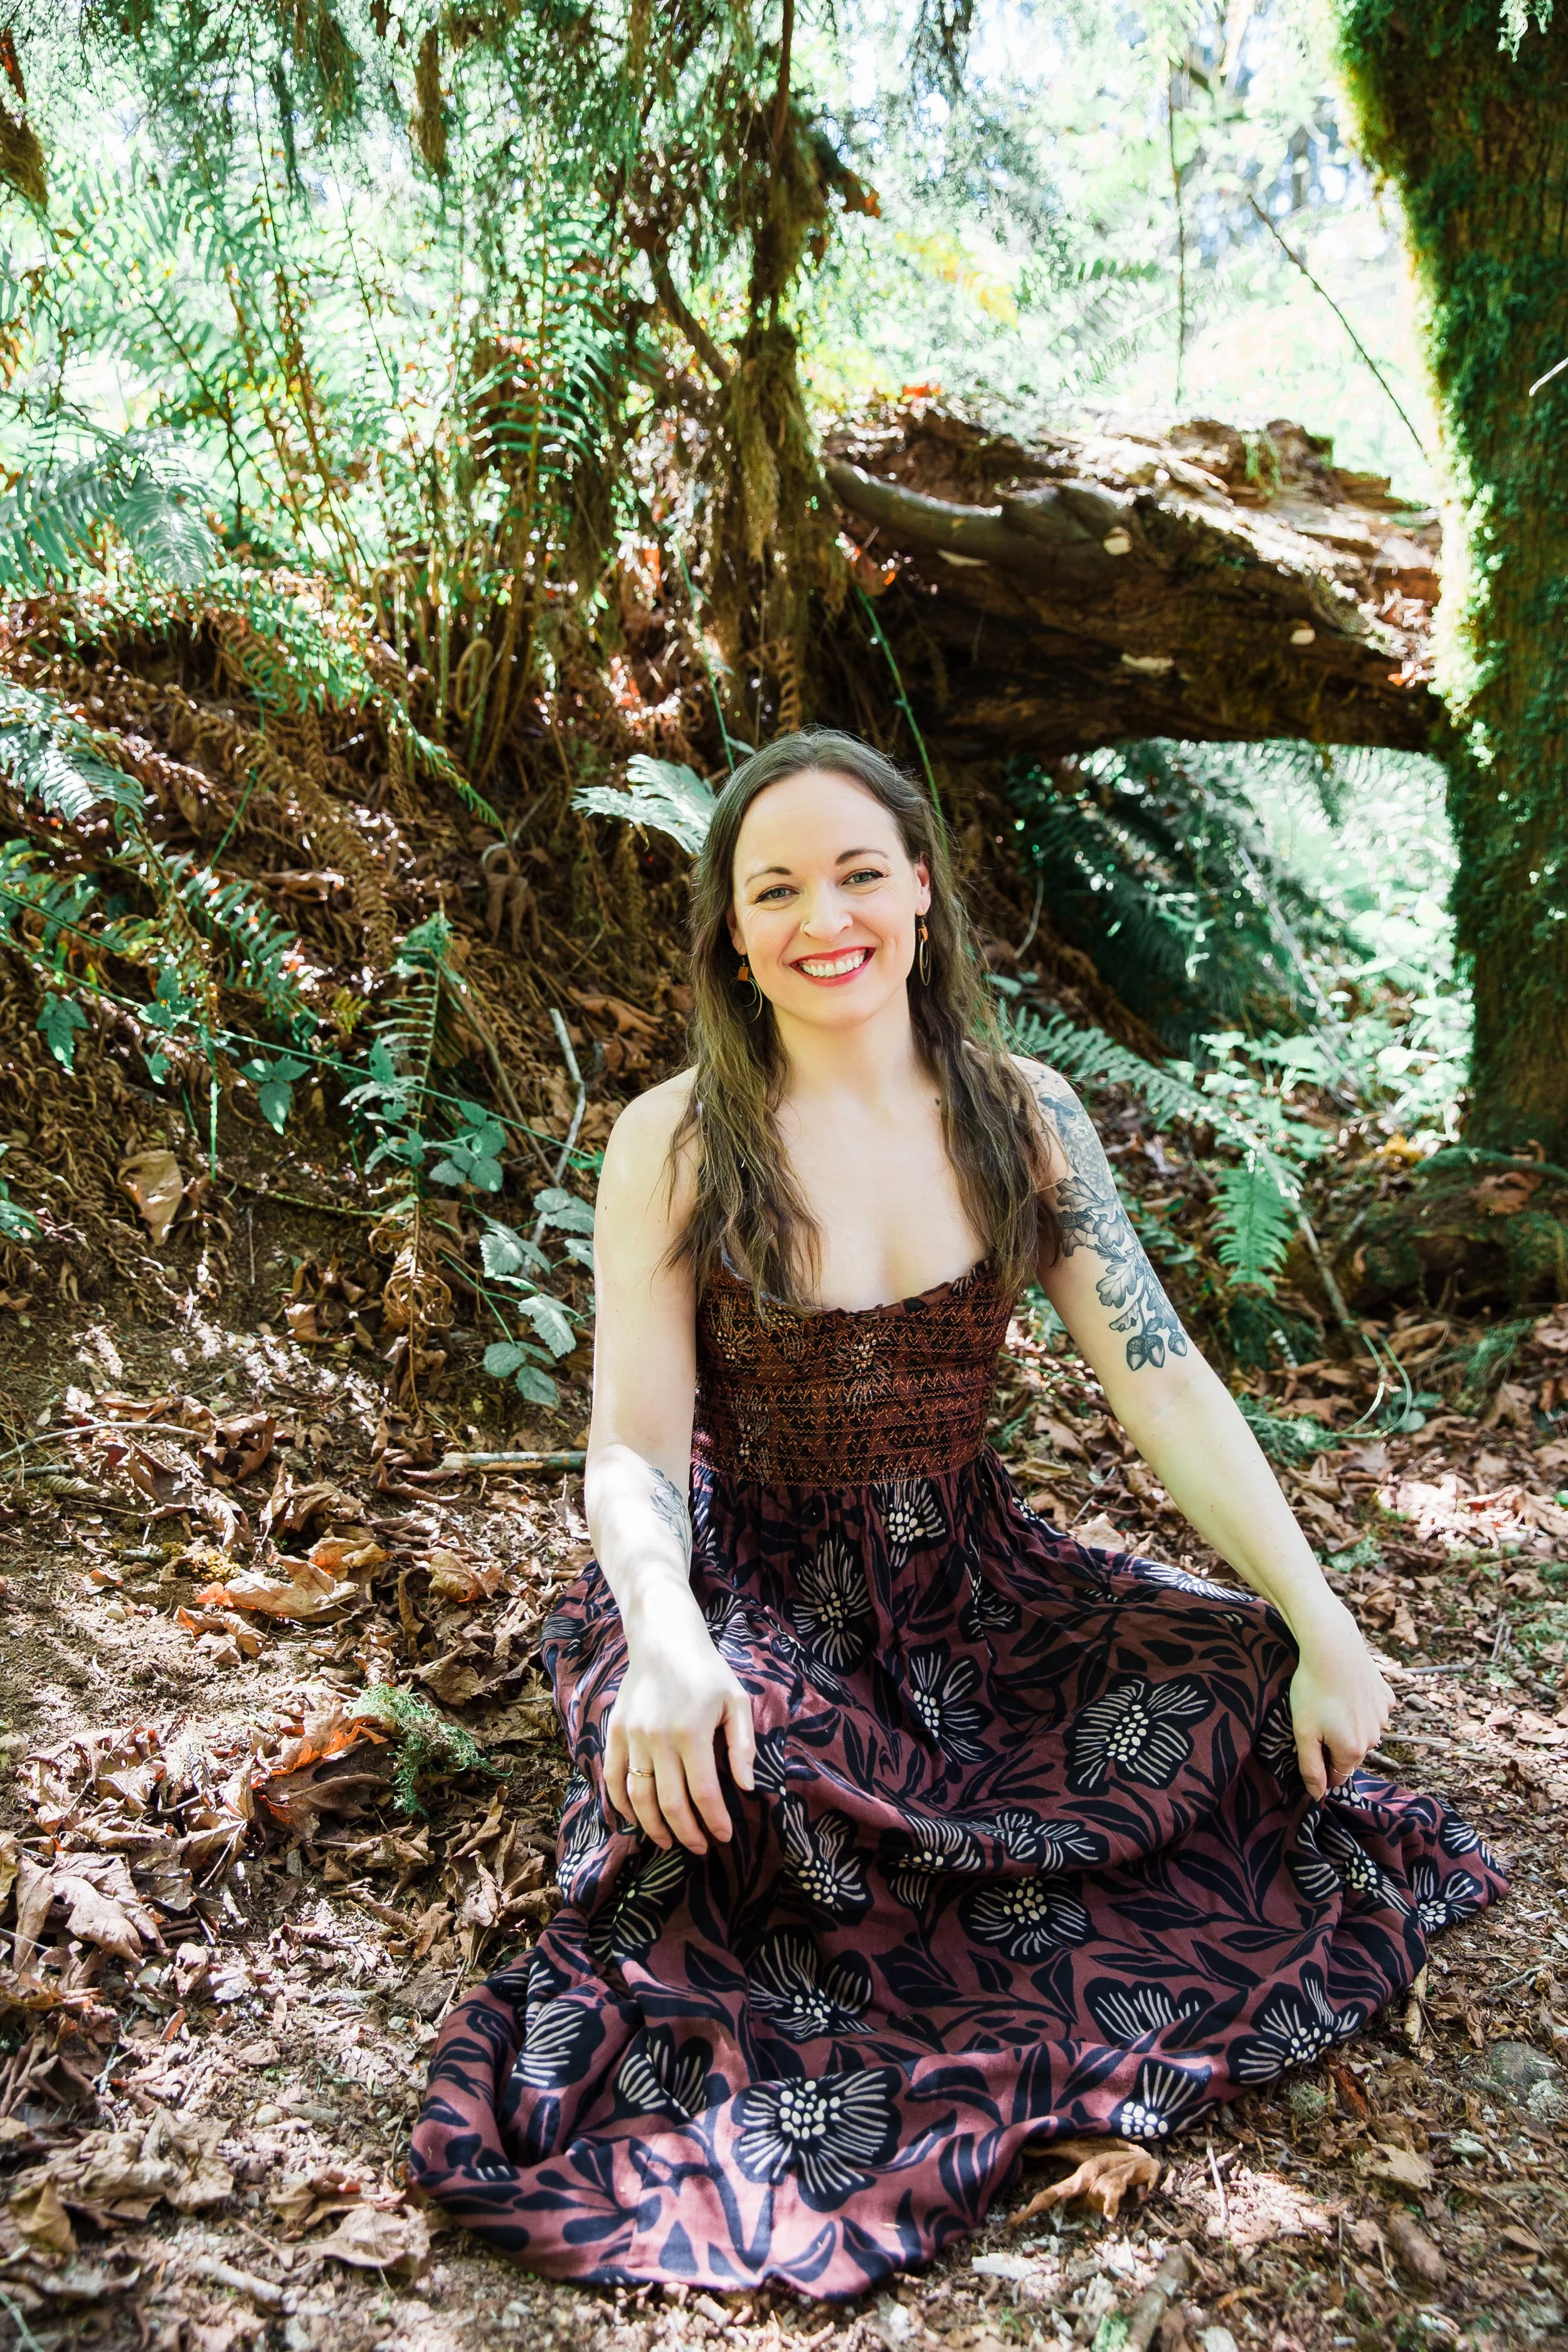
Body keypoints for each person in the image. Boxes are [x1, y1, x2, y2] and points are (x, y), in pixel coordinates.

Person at [411, 729, 1503, 2296]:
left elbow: (1165, 1381)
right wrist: (663, 1640)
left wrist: (1320, 1624)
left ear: (919, 891)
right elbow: (632, 1449)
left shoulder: (1023, 1114)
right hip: (744, 1592)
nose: (822, 916)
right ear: (731, 927)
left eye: (857, 872)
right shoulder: (676, 1136)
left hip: (966, 1586)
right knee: (751, 1787)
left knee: (1245, 1691)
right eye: (773, 887)